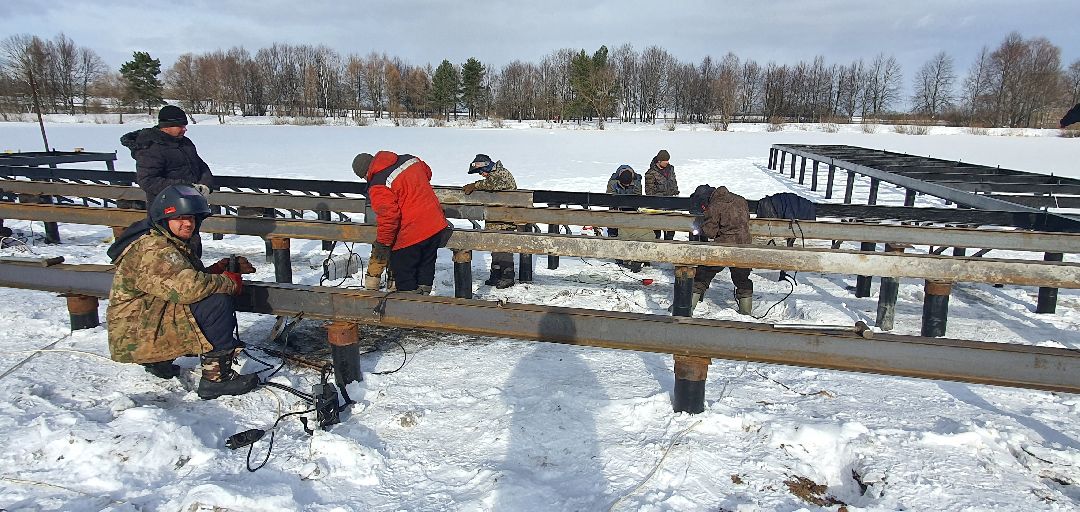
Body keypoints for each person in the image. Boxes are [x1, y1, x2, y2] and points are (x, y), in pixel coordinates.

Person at [106, 184, 260, 400]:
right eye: (180, 218)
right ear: (164, 219)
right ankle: (216, 380)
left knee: (205, 295)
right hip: (137, 333)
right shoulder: (155, 248)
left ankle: (158, 361)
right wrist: (229, 282)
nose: (188, 223)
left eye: (192, 218)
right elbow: (190, 289)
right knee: (216, 303)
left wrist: (217, 270)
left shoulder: (164, 242)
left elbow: (178, 281)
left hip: (139, 325)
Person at [352, 151, 451, 294]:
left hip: (411, 234)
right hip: (435, 225)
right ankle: (424, 300)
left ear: (366, 173)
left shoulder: (379, 184)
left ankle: (409, 307)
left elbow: (389, 218)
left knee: (404, 275)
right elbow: (427, 172)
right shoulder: (409, 160)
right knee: (425, 267)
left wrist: (383, 244)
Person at [120, 105, 213, 204]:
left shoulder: (185, 143)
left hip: (191, 203)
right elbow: (148, 180)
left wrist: (205, 185)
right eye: (180, 126)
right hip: (165, 206)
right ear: (166, 127)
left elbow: (200, 166)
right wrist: (187, 188)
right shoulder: (151, 147)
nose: (185, 129)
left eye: (185, 126)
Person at [691, 185, 754, 315]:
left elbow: (710, 232)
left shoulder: (715, 205)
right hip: (744, 246)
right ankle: (746, 312)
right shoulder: (741, 200)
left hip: (723, 248)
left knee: (702, 276)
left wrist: (703, 225)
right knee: (742, 279)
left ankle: (687, 307)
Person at [463, 154, 518, 288]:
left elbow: (492, 184)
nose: (481, 174)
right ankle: (496, 274)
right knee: (494, 247)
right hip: (494, 219)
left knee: (503, 248)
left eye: (481, 171)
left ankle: (507, 276)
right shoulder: (493, 175)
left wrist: (475, 186)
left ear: (486, 165)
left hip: (506, 219)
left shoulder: (501, 173)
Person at [644, 149, 679, 240]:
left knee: (671, 229)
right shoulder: (650, 173)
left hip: (671, 203)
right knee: (657, 230)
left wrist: (675, 193)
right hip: (657, 205)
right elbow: (649, 192)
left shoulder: (671, 169)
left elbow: (674, 183)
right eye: (665, 161)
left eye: (668, 160)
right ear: (659, 161)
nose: (667, 162)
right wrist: (662, 197)